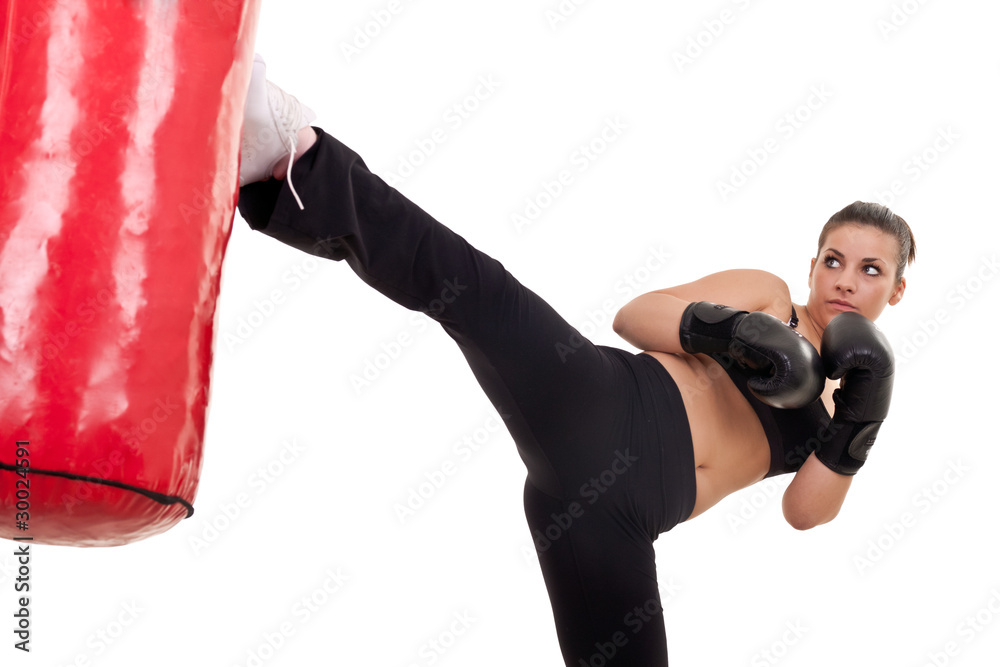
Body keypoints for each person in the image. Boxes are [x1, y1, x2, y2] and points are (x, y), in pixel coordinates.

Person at [235, 56, 913, 665]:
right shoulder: (769, 296)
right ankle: (288, 161)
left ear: (897, 288)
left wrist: (860, 417)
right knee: (473, 288)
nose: (846, 280)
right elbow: (635, 316)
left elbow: (805, 512)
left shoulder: (852, 402)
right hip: (602, 403)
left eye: (870, 269)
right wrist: (737, 332)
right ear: (814, 264)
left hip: (615, 522)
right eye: (834, 260)